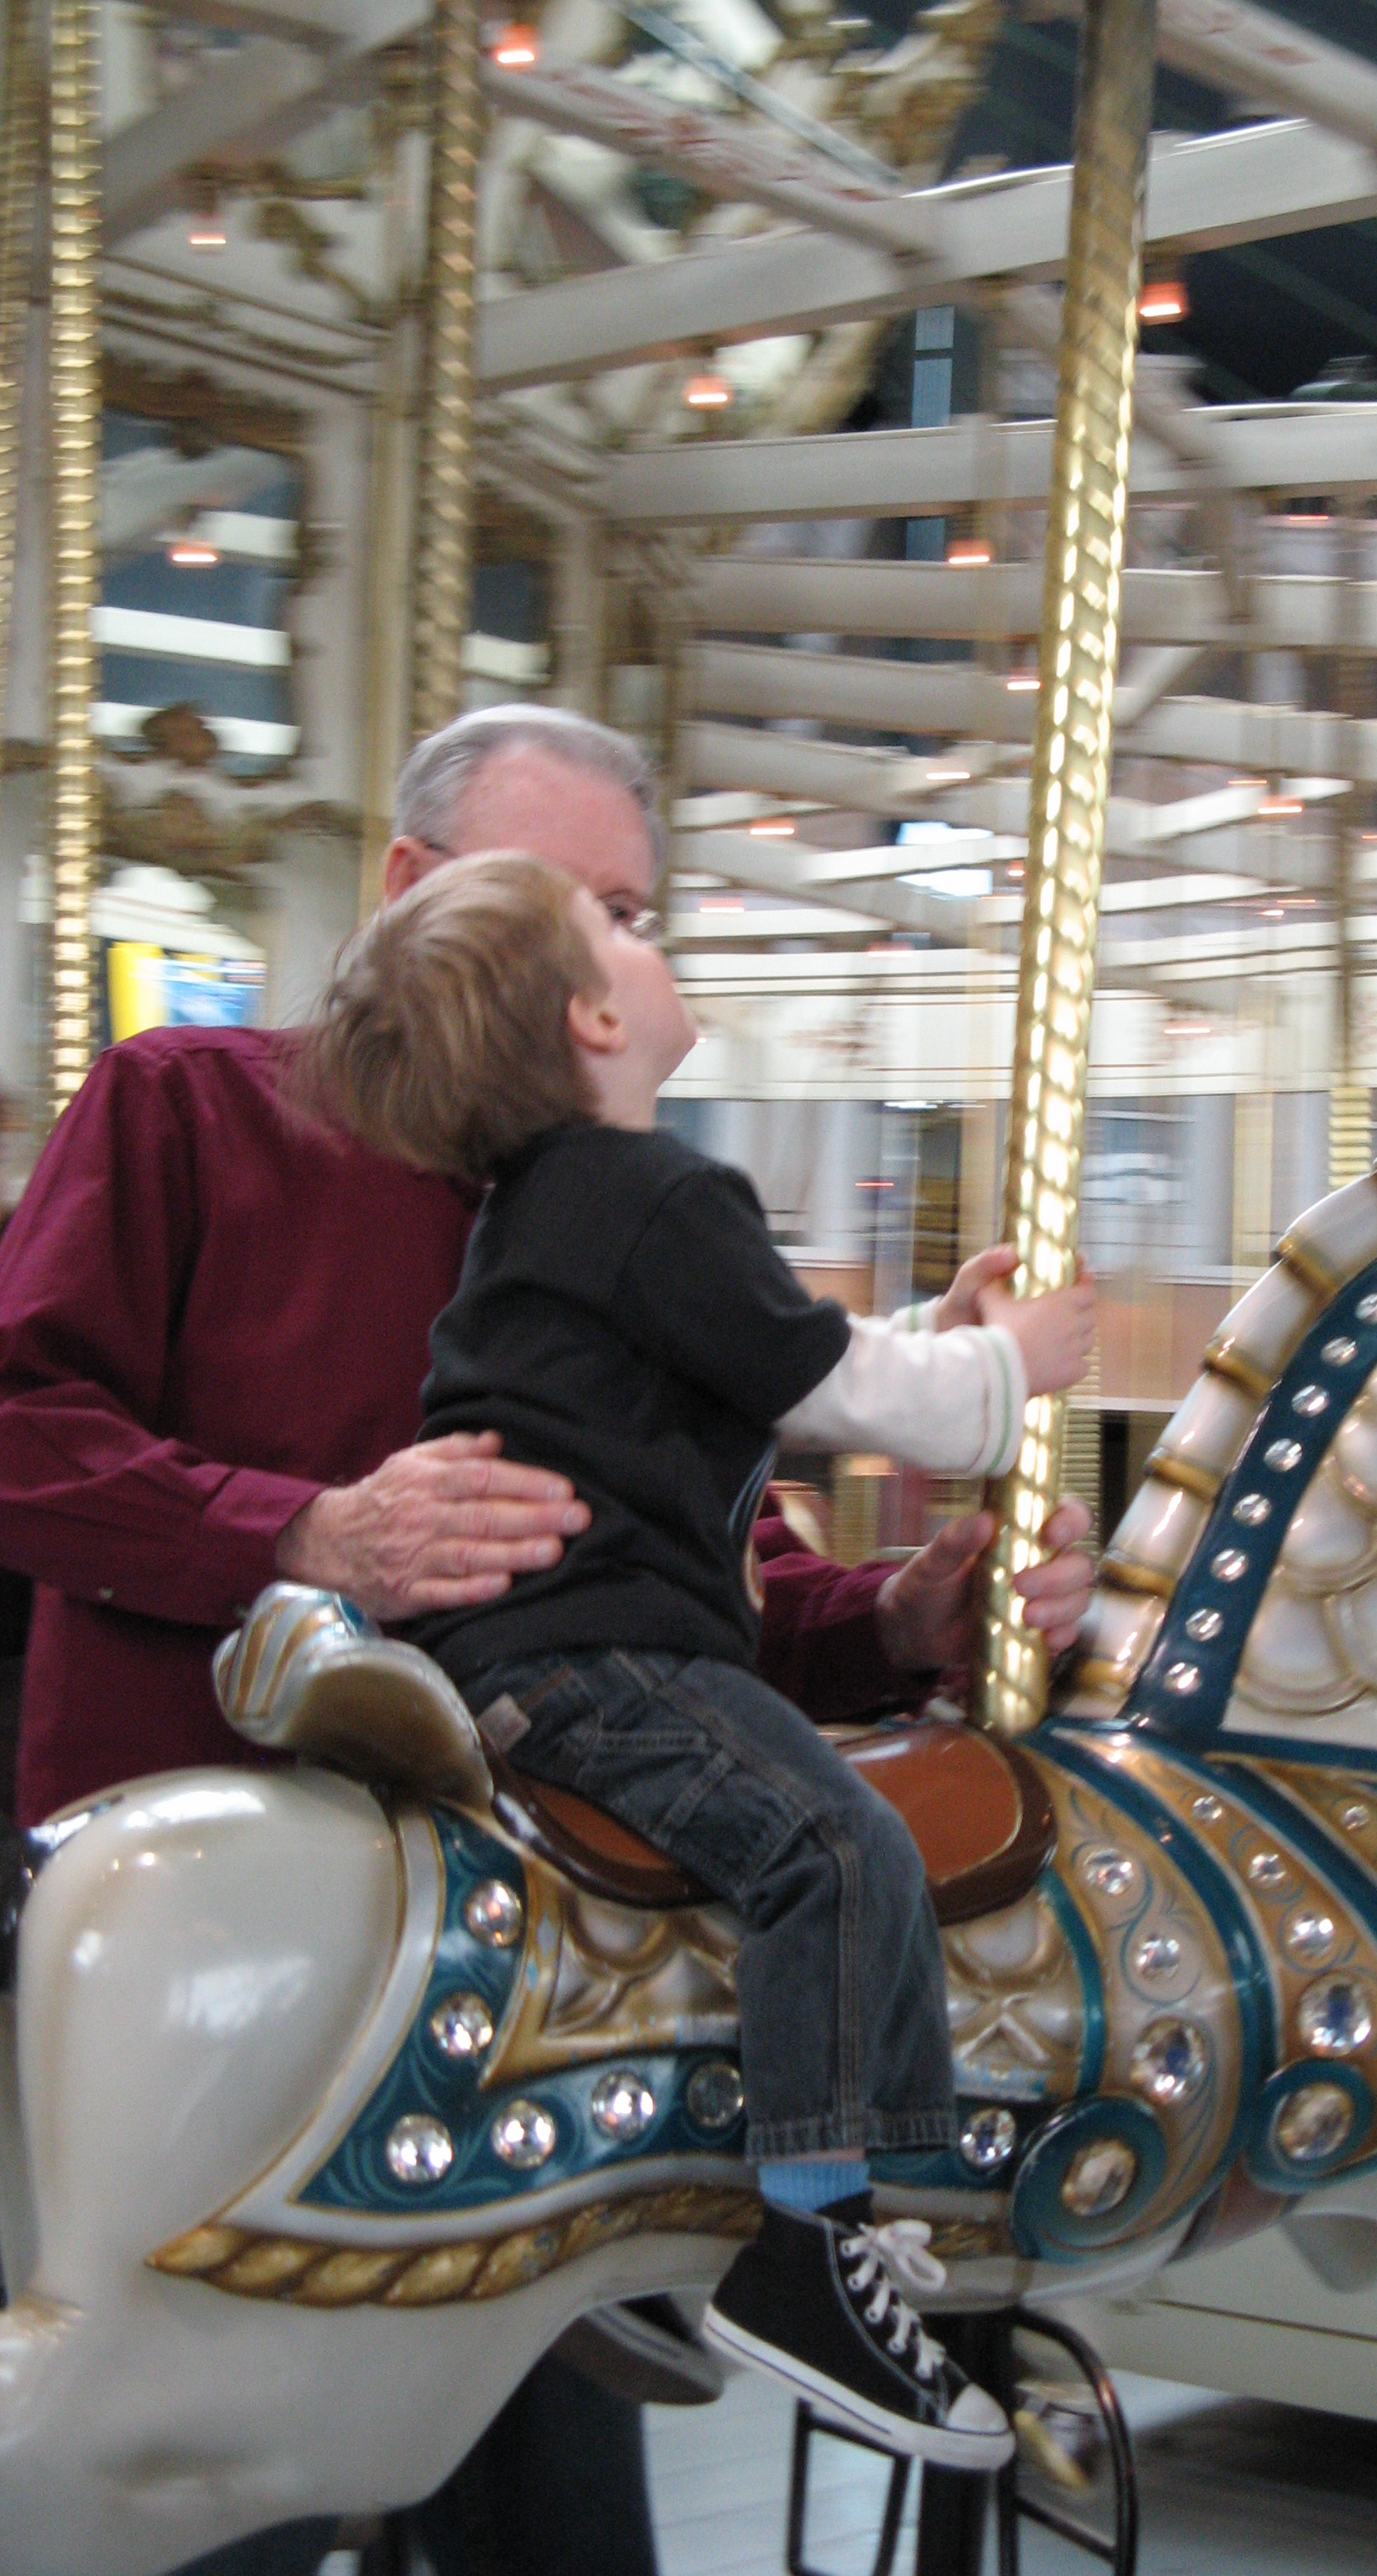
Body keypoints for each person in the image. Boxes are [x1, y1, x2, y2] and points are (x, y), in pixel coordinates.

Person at [0, 704, 1097, 2573]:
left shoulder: (617, 1202)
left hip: (525, 2003)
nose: (612, 949)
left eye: (632, 911)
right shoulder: (190, 1107)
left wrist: (902, 1615)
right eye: (570, 902)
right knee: (194, 2507)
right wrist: (304, 1532)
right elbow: (23, 1427)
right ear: (413, 891)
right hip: (226, 1970)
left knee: (567, 2537)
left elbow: (700, 1579)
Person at [303, 850, 1096, 2467]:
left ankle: (688, 2210)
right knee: (833, 1851)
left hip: (545, 1654)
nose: (648, 937)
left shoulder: (574, 1209)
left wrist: (943, 1349)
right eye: (619, 924)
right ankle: (817, 2237)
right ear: (593, 1020)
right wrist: (1010, 1369)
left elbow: (786, 1373)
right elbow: (844, 1392)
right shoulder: (650, 1191)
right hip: (600, 1652)